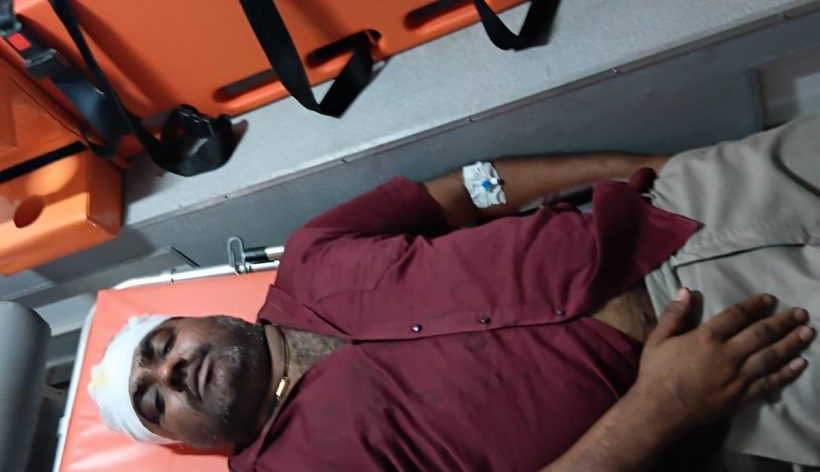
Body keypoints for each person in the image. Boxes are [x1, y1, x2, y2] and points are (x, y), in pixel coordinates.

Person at [88, 115, 820, 471]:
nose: (171, 371)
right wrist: (665, 404)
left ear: (198, 316)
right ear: (183, 446)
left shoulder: (312, 252)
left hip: (691, 204)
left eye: (160, 346)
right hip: (733, 364)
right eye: (153, 400)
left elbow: (469, 190)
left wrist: (651, 163)